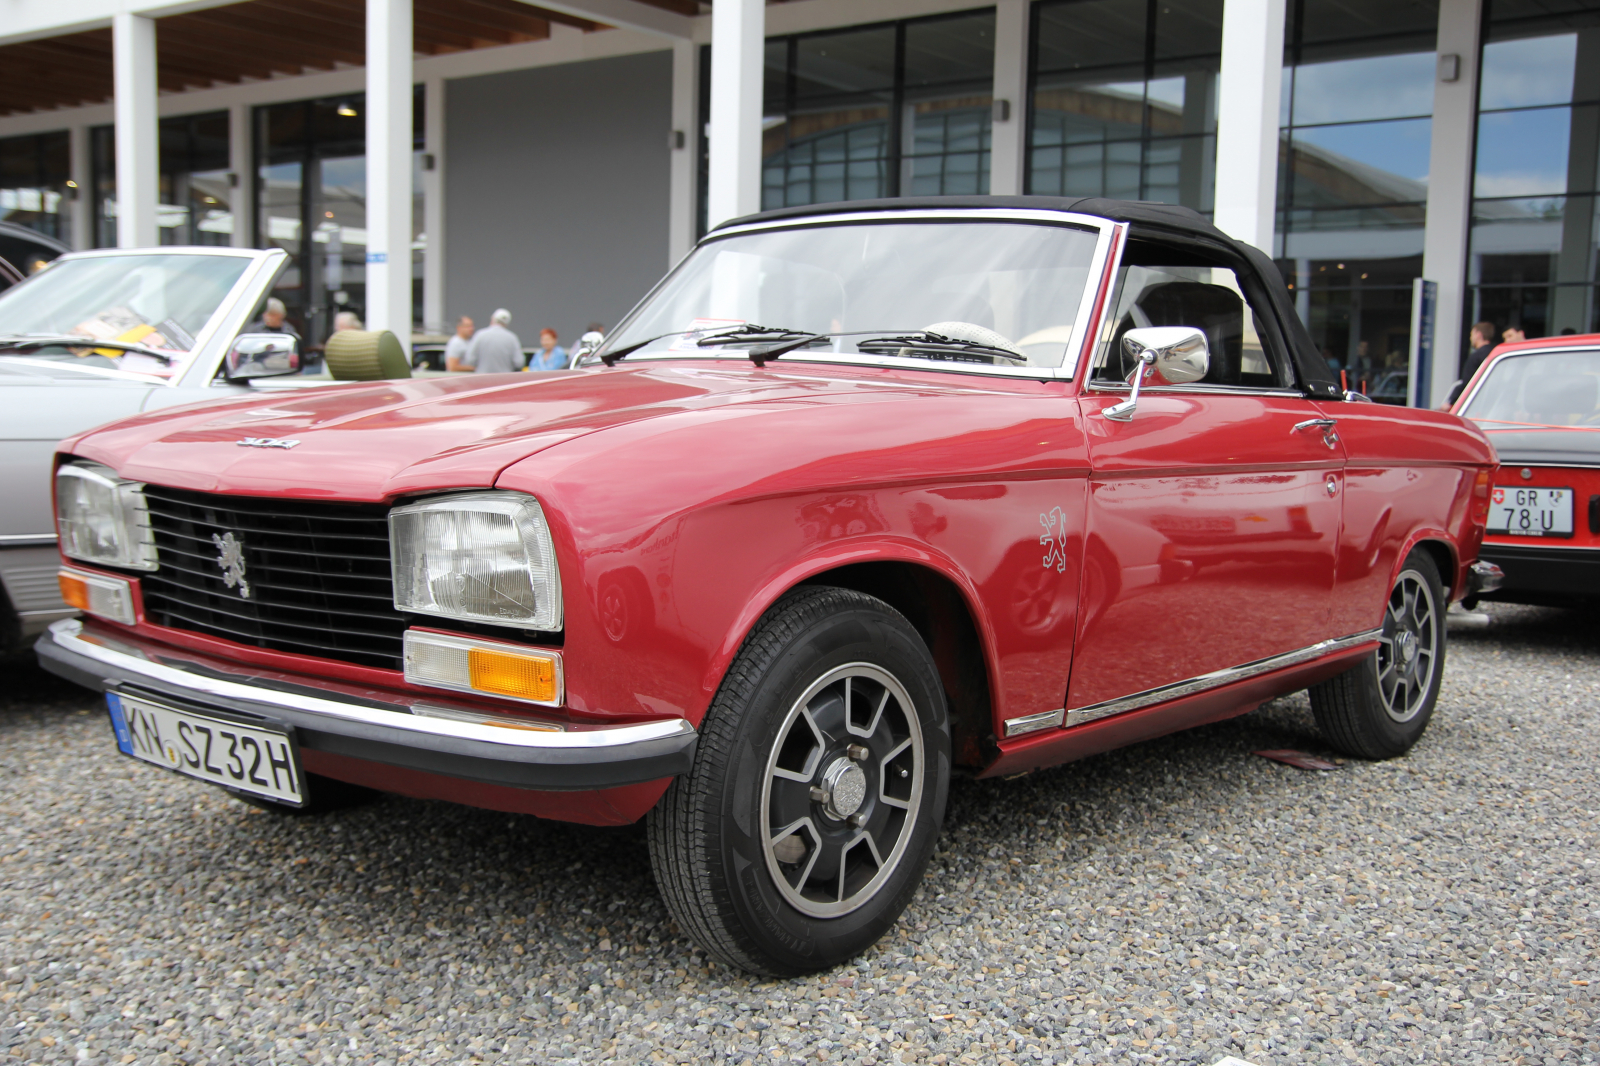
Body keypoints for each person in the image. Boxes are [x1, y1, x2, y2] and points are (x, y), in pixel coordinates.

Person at [1447, 321, 1497, 405]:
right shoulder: (1496, 354)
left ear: (1478, 335)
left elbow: (1468, 382)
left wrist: (1452, 400)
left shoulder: (1476, 357)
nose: (1471, 338)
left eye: (1472, 335)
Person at [459, 308, 523, 374]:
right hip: (504, 380)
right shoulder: (512, 338)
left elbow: (470, 360)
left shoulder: (480, 335)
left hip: (483, 379)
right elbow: (519, 362)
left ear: (492, 319)